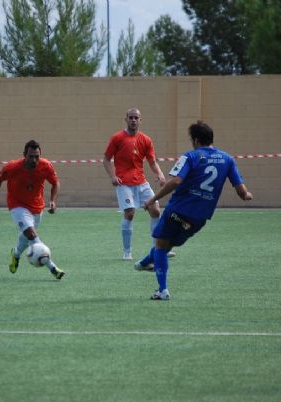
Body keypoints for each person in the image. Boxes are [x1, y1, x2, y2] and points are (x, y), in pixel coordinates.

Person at [134, 121, 253, 300]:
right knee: (168, 245)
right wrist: (246, 195)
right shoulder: (227, 159)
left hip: (178, 210)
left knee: (160, 245)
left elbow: (175, 181)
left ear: (195, 140)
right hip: (199, 218)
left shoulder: (190, 156)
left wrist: (153, 199)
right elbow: (241, 190)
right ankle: (144, 263)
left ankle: (162, 290)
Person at [103, 107, 172, 261]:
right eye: (131, 117)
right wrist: (113, 176)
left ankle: (158, 249)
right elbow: (106, 159)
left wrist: (160, 174)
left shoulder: (146, 140)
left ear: (140, 120)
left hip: (141, 182)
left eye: (136, 118)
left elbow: (152, 161)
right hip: (123, 183)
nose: (133, 120)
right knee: (130, 213)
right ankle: (127, 252)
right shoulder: (117, 138)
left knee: (155, 211)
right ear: (126, 119)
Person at [0, 139, 65, 280]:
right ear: (24, 154)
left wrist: (53, 201)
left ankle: (16, 254)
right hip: (17, 205)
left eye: (37, 156)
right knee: (31, 235)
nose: (34, 159)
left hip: (37, 207)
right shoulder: (12, 167)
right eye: (31, 156)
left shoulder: (45, 166)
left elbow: (56, 183)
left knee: (26, 238)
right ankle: (53, 268)